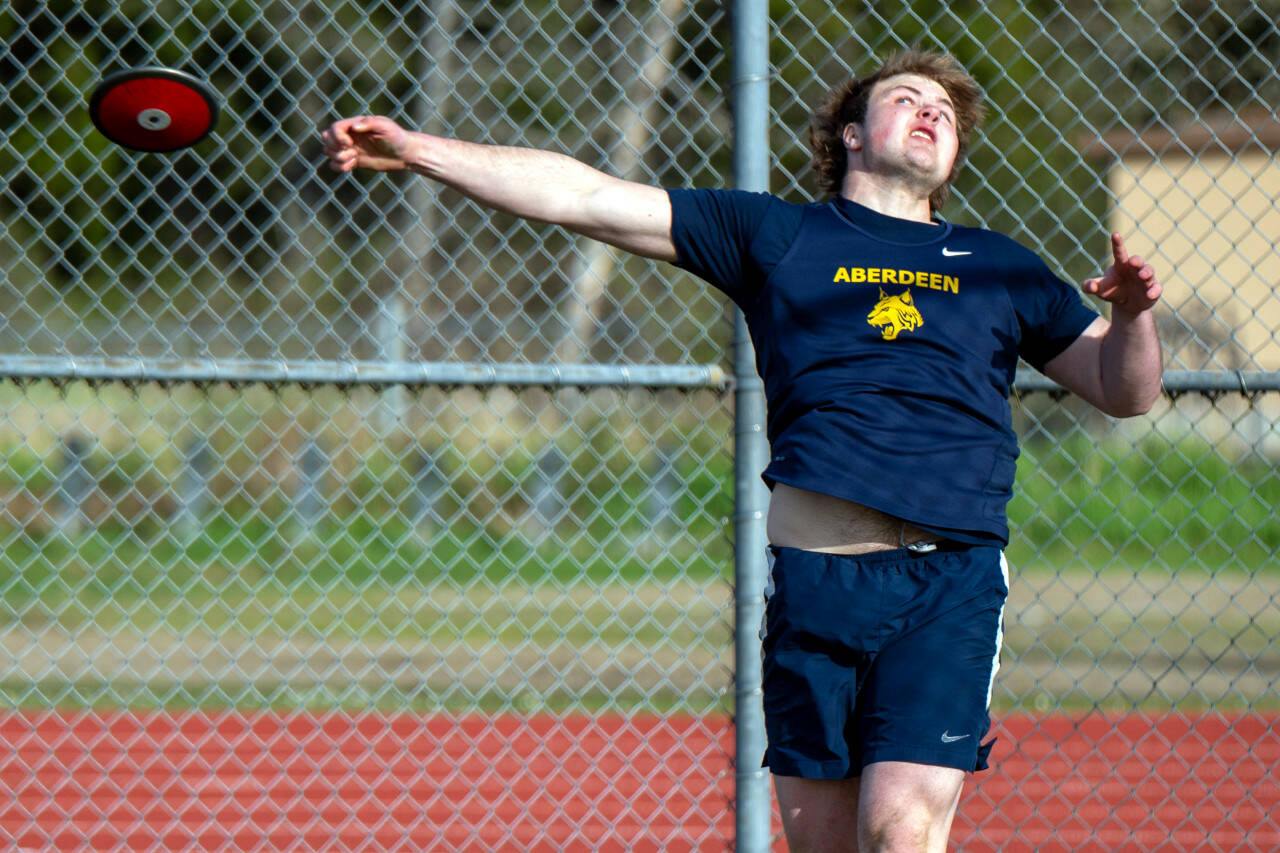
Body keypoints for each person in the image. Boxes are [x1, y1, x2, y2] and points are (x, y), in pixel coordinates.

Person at [322, 47, 1162, 853]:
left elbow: (1126, 392)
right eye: (906, 99)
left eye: (945, 113)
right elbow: (586, 197)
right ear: (852, 135)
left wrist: (1132, 318)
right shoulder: (779, 235)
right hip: (814, 583)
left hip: (946, 582)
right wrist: (419, 149)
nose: (930, 113)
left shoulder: (996, 266)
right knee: (826, 841)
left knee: (900, 830)